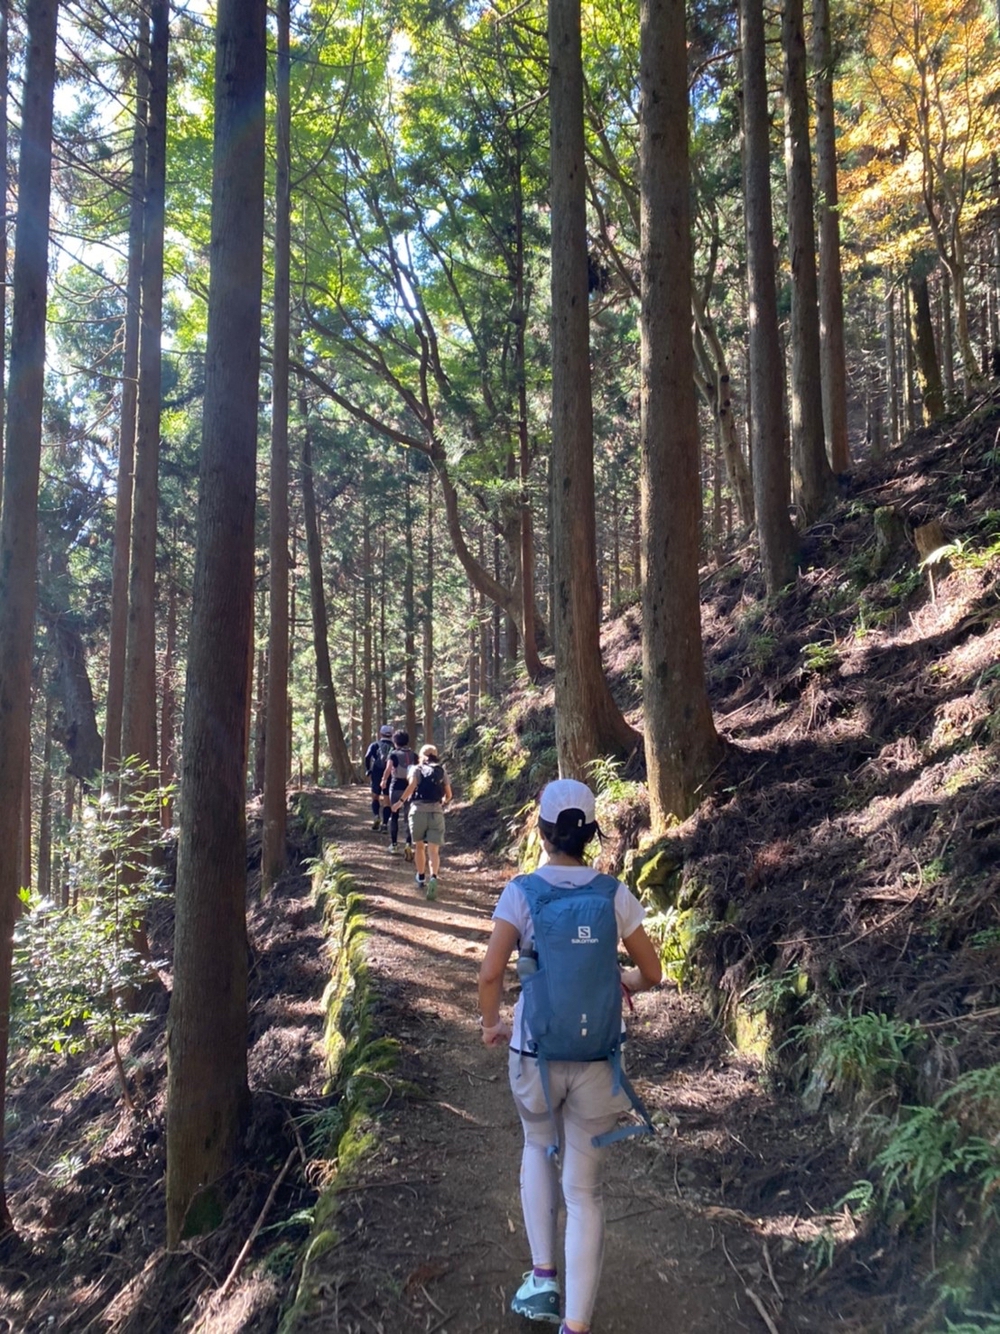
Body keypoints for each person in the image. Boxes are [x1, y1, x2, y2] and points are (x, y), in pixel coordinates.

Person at [477, 779, 662, 1334]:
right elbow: (651, 973)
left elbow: (489, 973)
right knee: (585, 1190)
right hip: (598, 1058)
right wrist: (619, 978)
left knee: (537, 1147)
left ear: (542, 829)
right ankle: (576, 1325)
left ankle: (543, 1276)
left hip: (535, 1051)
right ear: (589, 832)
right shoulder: (614, 894)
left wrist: (491, 1024)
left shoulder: (522, 892)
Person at [391, 743, 452, 900]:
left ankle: (421, 876)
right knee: (433, 850)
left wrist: (400, 802)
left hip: (417, 811)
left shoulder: (416, 769)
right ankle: (434, 877)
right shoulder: (441, 770)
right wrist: (442, 802)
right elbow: (449, 795)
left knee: (419, 847)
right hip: (436, 813)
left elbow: (412, 786)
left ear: (421, 756)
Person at [380, 729, 418, 856]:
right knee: (408, 817)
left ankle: (394, 845)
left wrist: (384, 780)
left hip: (396, 786)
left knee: (394, 815)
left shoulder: (394, 754)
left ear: (395, 742)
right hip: (410, 788)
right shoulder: (414, 755)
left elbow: (388, 769)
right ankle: (408, 844)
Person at [363, 725, 394, 831]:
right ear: (391, 734)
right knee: (387, 800)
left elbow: (367, 757)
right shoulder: (394, 746)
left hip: (376, 771)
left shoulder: (374, 744)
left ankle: (376, 816)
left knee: (375, 796)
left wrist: (368, 770)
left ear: (381, 734)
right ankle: (385, 825)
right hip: (390, 773)